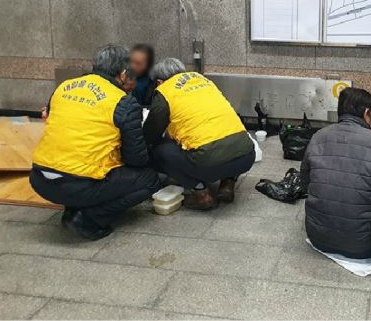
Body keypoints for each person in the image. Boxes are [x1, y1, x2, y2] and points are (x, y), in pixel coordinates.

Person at [30, 45, 160, 240]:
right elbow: (136, 159)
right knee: (148, 179)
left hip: (40, 178)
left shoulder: (64, 87)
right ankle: (88, 218)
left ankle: (73, 208)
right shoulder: (122, 102)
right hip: (78, 184)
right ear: (123, 74)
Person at [300, 87, 371, 259]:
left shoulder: (318, 137)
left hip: (318, 238)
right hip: (364, 245)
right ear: (366, 113)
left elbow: (304, 182)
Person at [144, 58, 255, 210]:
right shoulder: (203, 80)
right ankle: (228, 184)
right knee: (228, 142)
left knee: (161, 151)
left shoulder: (165, 91)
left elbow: (151, 133)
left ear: (159, 82)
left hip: (209, 163)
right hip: (247, 155)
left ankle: (201, 193)